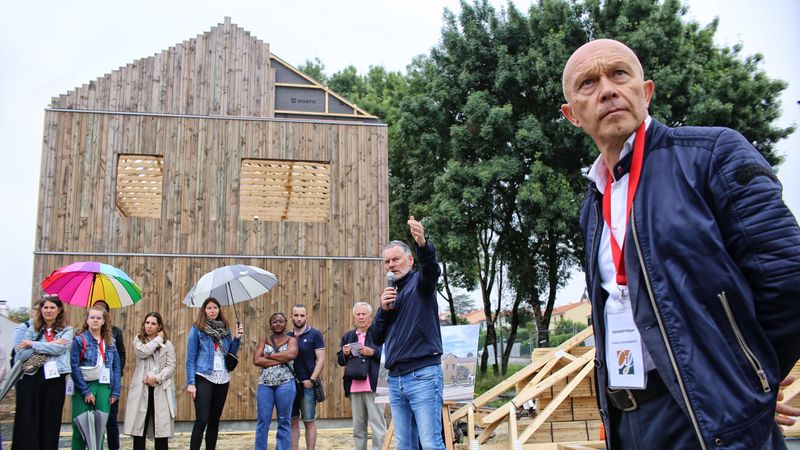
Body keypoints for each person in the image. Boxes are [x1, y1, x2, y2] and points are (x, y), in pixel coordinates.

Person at [561, 38, 800, 450]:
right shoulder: (593, 204)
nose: (607, 89)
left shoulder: (710, 156)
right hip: (629, 419)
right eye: (588, 83)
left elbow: (787, 278)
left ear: (646, 91)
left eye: (619, 74)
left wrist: (745, 378)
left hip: (708, 420)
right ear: (572, 116)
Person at [372, 216, 445, 450]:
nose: (391, 265)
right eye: (386, 262)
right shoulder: (389, 294)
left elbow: (431, 269)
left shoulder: (421, 284)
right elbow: (376, 337)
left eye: (396, 259)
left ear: (410, 260)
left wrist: (423, 243)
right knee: (404, 445)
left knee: (431, 442)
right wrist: (383, 310)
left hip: (423, 375)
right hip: (395, 380)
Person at [12, 295, 72, 450]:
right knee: (28, 423)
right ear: (40, 310)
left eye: (52, 307)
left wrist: (33, 344)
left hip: (54, 380)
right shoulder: (28, 328)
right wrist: (51, 346)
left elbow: (61, 348)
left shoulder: (66, 330)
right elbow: (22, 355)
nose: (48, 310)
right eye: (45, 307)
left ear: (59, 310)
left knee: (50, 423)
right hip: (32, 379)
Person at [186, 297, 244, 450]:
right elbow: (191, 357)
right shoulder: (197, 328)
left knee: (214, 420)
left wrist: (237, 338)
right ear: (204, 310)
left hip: (223, 377)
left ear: (219, 309)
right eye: (209, 308)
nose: (212, 311)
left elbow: (230, 352)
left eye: (215, 308)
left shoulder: (225, 328)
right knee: (202, 420)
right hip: (204, 375)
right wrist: (191, 383)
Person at [70, 306, 122, 450]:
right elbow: (74, 367)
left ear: (104, 321)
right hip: (84, 385)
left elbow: (116, 367)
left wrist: (115, 391)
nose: (95, 320)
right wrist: (85, 391)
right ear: (86, 320)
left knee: (99, 427)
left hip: (104, 386)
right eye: (92, 317)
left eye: (99, 318)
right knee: (81, 426)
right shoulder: (79, 340)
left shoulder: (110, 341)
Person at [123, 312, 177, 450]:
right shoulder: (138, 340)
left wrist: (157, 378)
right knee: (139, 428)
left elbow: (171, 366)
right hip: (142, 389)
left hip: (160, 389)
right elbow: (143, 352)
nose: (149, 326)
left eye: (153, 323)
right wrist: (157, 340)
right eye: (147, 323)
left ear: (159, 326)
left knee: (161, 430)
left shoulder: (168, 345)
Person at [337, 301, 386, 450]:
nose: (361, 317)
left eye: (364, 314)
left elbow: (388, 356)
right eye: (358, 314)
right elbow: (340, 361)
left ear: (370, 317)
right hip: (354, 386)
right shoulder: (348, 336)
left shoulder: (379, 334)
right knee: (358, 428)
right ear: (353, 317)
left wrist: (374, 352)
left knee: (378, 426)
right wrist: (344, 354)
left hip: (374, 385)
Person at [253, 312, 298, 450]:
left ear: (285, 323)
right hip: (265, 384)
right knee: (263, 421)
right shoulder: (264, 340)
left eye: (280, 321)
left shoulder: (292, 340)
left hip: (286, 384)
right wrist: (281, 359)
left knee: (284, 420)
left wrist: (270, 356)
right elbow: (256, 360)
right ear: (270, 324)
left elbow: (291, 354)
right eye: (274, 321)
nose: (278, 324)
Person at [288, 304, 325, 450]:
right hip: (290, 385)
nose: (299, 318)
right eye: (296, 315)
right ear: (291, 316)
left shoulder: (315, 334)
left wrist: (312, 380)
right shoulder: (287, 336)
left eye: (302, 315)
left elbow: (321, 359)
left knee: (309, 421)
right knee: (293, 422)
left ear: (306, 316)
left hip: (307, 385)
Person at [92, 299, 127, 450]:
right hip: (91, 382)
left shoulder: (116, 332)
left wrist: (115, 377)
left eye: (102, 310)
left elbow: (121, 355)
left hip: (110, 382)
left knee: (111, 421)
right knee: (92, 421)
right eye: (96, 309)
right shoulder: (84, 333)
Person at [11, 297, 41, 367]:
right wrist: (45, 346)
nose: (39, 312)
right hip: (24, 370)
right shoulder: (24, 327)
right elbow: (19, 353)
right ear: (32, 311)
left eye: (41, 310)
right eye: (37, 309)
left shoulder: (48, 328)